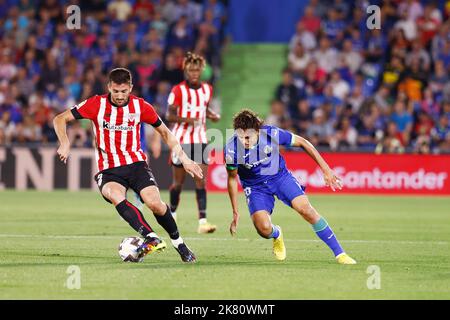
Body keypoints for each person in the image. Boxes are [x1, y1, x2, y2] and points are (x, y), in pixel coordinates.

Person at [53, 68, 201, 263]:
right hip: (109, 169)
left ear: (131, 88)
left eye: (124, 91)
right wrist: (64, 142)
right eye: (116, 91)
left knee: (155, 204)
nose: (120, 96)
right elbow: (60, 119)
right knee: (115, 195)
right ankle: (151, 237)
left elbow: (165, 133)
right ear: (109, 88)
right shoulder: (96, 104)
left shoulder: (141, 107)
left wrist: (185, 158)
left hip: (136, 165)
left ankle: (179, 243)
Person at [225, 109, 356, 264]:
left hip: (280, 177)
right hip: (255, 187)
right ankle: (277, 234)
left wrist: (326, 169)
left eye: (248, 137)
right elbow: (232, 179)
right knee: (263, 229)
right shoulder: (231, 150)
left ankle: (340, 254)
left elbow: (303, 142)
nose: (244, 141)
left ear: (258, 131)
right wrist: (235, 211)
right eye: (240, 137)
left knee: (306, 210)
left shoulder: (271, 134)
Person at [165, 52, 220, 233]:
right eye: (191, 70)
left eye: (197, 70)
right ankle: (171, 214)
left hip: (200, 140)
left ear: (201, 71)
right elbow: (169, 115)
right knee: (178, 183)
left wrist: (211, 115)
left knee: (200, 181)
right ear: (186, 71)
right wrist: (188, 120)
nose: (194, 74)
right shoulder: (178, 90)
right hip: (180, 140)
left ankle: (203, 222)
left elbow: (203, 107)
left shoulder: (207, 89)